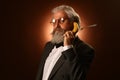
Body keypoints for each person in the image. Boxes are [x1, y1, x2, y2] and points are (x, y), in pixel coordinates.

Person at [36, 5, 94, 80]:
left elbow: (78, 77)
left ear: (74, 24)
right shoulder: (48, 46)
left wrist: (68, 48)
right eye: (54, 21)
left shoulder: (86, 50)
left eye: (62, 20)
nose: (56, 25)